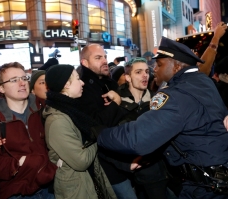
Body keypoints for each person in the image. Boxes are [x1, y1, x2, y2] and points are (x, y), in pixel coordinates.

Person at [97, 36, 228, 199]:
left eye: (159, 64)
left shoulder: (176, 95)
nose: (154, 70)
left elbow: (137, 139)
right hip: (214, 180)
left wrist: (99, 133)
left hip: (203, 188)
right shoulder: (203, 82)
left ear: (176, 66)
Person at [44, 64, 116, 199]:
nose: (82, 82)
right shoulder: (58, 121)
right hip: (76, 188)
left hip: (87, 180)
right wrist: (97, 136)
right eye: (77, 79)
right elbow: (81, 161)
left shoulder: (73, 110)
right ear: (66, 84)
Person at [0, 62, 57, 199]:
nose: (22, 83)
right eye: (14, 80)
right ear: (1, 88)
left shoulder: (44, 108)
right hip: (16, 191)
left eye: (24, 78)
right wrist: (20, 163)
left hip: (50, 186)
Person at [78, 44, 137, 199]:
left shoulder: (107, 82)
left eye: (104, 56)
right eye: (98, 58)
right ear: (85, 62)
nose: (104, 61)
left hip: (121, 153)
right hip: (105, 161)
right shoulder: (83, 88)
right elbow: (95, 126)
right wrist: (115, 104)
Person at [117, 57, 170, 199]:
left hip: (152, 170)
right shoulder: (116, 100)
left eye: (146, 71)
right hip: (124, 171)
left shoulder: (158, 99)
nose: (145, 75)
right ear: (127, 77)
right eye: (139, 72)